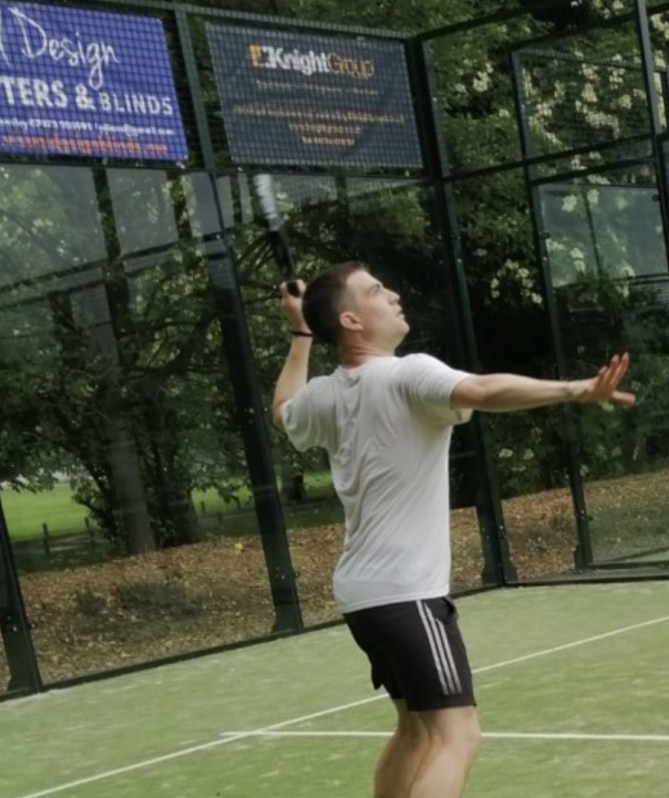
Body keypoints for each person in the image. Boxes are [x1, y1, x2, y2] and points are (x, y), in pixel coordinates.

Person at [271, 261, 634, 796]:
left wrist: (300, 332)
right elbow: (484, 392)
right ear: (351, 320)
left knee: (416, 731)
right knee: (457, 736)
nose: (393, 294)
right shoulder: (406, 373)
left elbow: (282, 410)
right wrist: (578, 389)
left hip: (363, 596)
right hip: (406, 593)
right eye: (376, 291)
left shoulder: (326, 394)